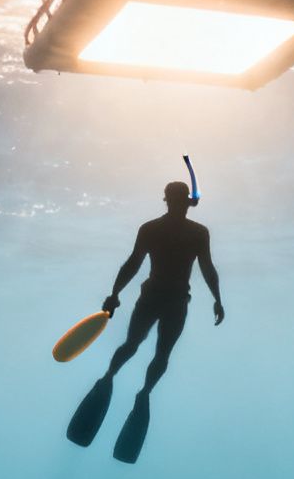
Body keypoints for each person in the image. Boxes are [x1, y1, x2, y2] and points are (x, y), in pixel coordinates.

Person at [66, 179, 225, 462]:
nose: (177, 204)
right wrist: (114, 294)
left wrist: (218, 298)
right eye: (174, 200)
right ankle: (110, 379)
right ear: (168, 201)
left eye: (180, 200)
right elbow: (134, 262)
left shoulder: (196, 233)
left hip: (175, 302)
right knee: (132, 345)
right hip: (154, 298)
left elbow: (207, 267)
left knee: (160, 353)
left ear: (185, 201)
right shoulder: (154, 229)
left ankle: (142, 391)